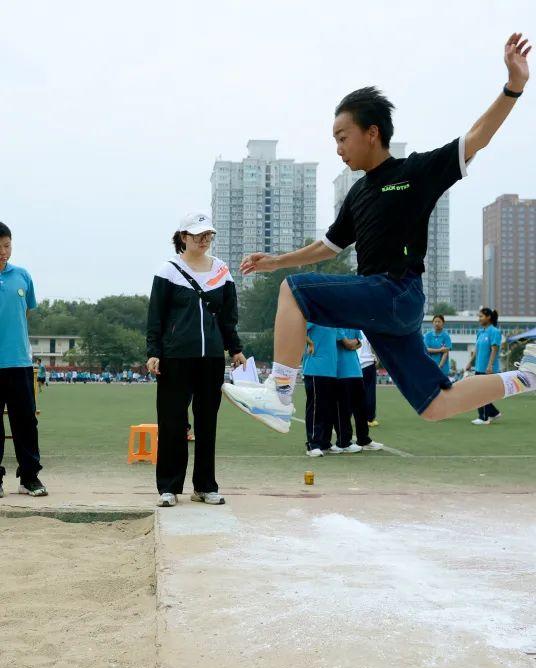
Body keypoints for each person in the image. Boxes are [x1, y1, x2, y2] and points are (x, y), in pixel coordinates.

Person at [222, 34, 536, 433]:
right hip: (386, 309)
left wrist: (514, 86)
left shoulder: (415, 173)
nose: (338, 148)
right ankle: (525, 378)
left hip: (396, 291)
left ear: (372, 132)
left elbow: (476, 138)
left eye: (342, 137)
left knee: (294, 291)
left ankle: (280, 395)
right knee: (435, 404)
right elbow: (328, 246)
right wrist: (276, 261)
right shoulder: (357, 193)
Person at [146, 212, 246, 508]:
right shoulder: (169, 271)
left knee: (207, 424)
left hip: (211, 359)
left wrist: (235, 348)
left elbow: (229, 317)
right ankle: (168, 487)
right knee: (172, 423)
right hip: (175, 358)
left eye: (208, 235)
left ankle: (205, 486)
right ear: (183, 237)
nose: (204, 239)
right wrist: (154, 351)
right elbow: (156, 317)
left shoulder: (222, 272)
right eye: (198, 234)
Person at [0, 222, 47, 498]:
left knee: (26, 422)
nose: (3, 252)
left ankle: (29, 477)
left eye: (7, 246)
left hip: (19, 363)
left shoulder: (23, 276)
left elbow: (26, 312)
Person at [333, 329, 383, 453]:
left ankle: (363, 439)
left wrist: (353, 343)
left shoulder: (353, 322)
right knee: (344, 409)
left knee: (361, 407)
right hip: (341, 370)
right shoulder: (337, 323)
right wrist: (352, 343)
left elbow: (359, 343)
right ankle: (343, 442)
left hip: (356, 369)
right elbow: (349, 344)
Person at [302, 323, 338, 457]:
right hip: (315, 368)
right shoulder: (315, 316)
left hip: (331, 370)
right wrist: (310, 343)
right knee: (316, 407)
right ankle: (313, 444)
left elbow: (341, 339)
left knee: (328, 408)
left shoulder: (333, 319)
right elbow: (298, 329)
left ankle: (325, 442)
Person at [465, 308, 503, 425]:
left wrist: (490, 365)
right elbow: (476, 350)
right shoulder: (480, 332)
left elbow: (494, 350)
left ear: (488, 317)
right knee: (478, 393)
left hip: (488, 369)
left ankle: (484, 418)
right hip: (479, 368)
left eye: (481, 316)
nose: (479, 319)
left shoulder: (494, 332)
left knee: (481, 394)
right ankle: (494, 413)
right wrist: (470, 362)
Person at [357, 332, 379, 427]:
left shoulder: (351, 327)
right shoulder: (367, 328)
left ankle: (358, 418)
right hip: (369, 362)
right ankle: (370, 418)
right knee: (370, 392)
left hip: (356, 364)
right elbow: (374, 345)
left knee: (356, 393)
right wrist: (378, 359)